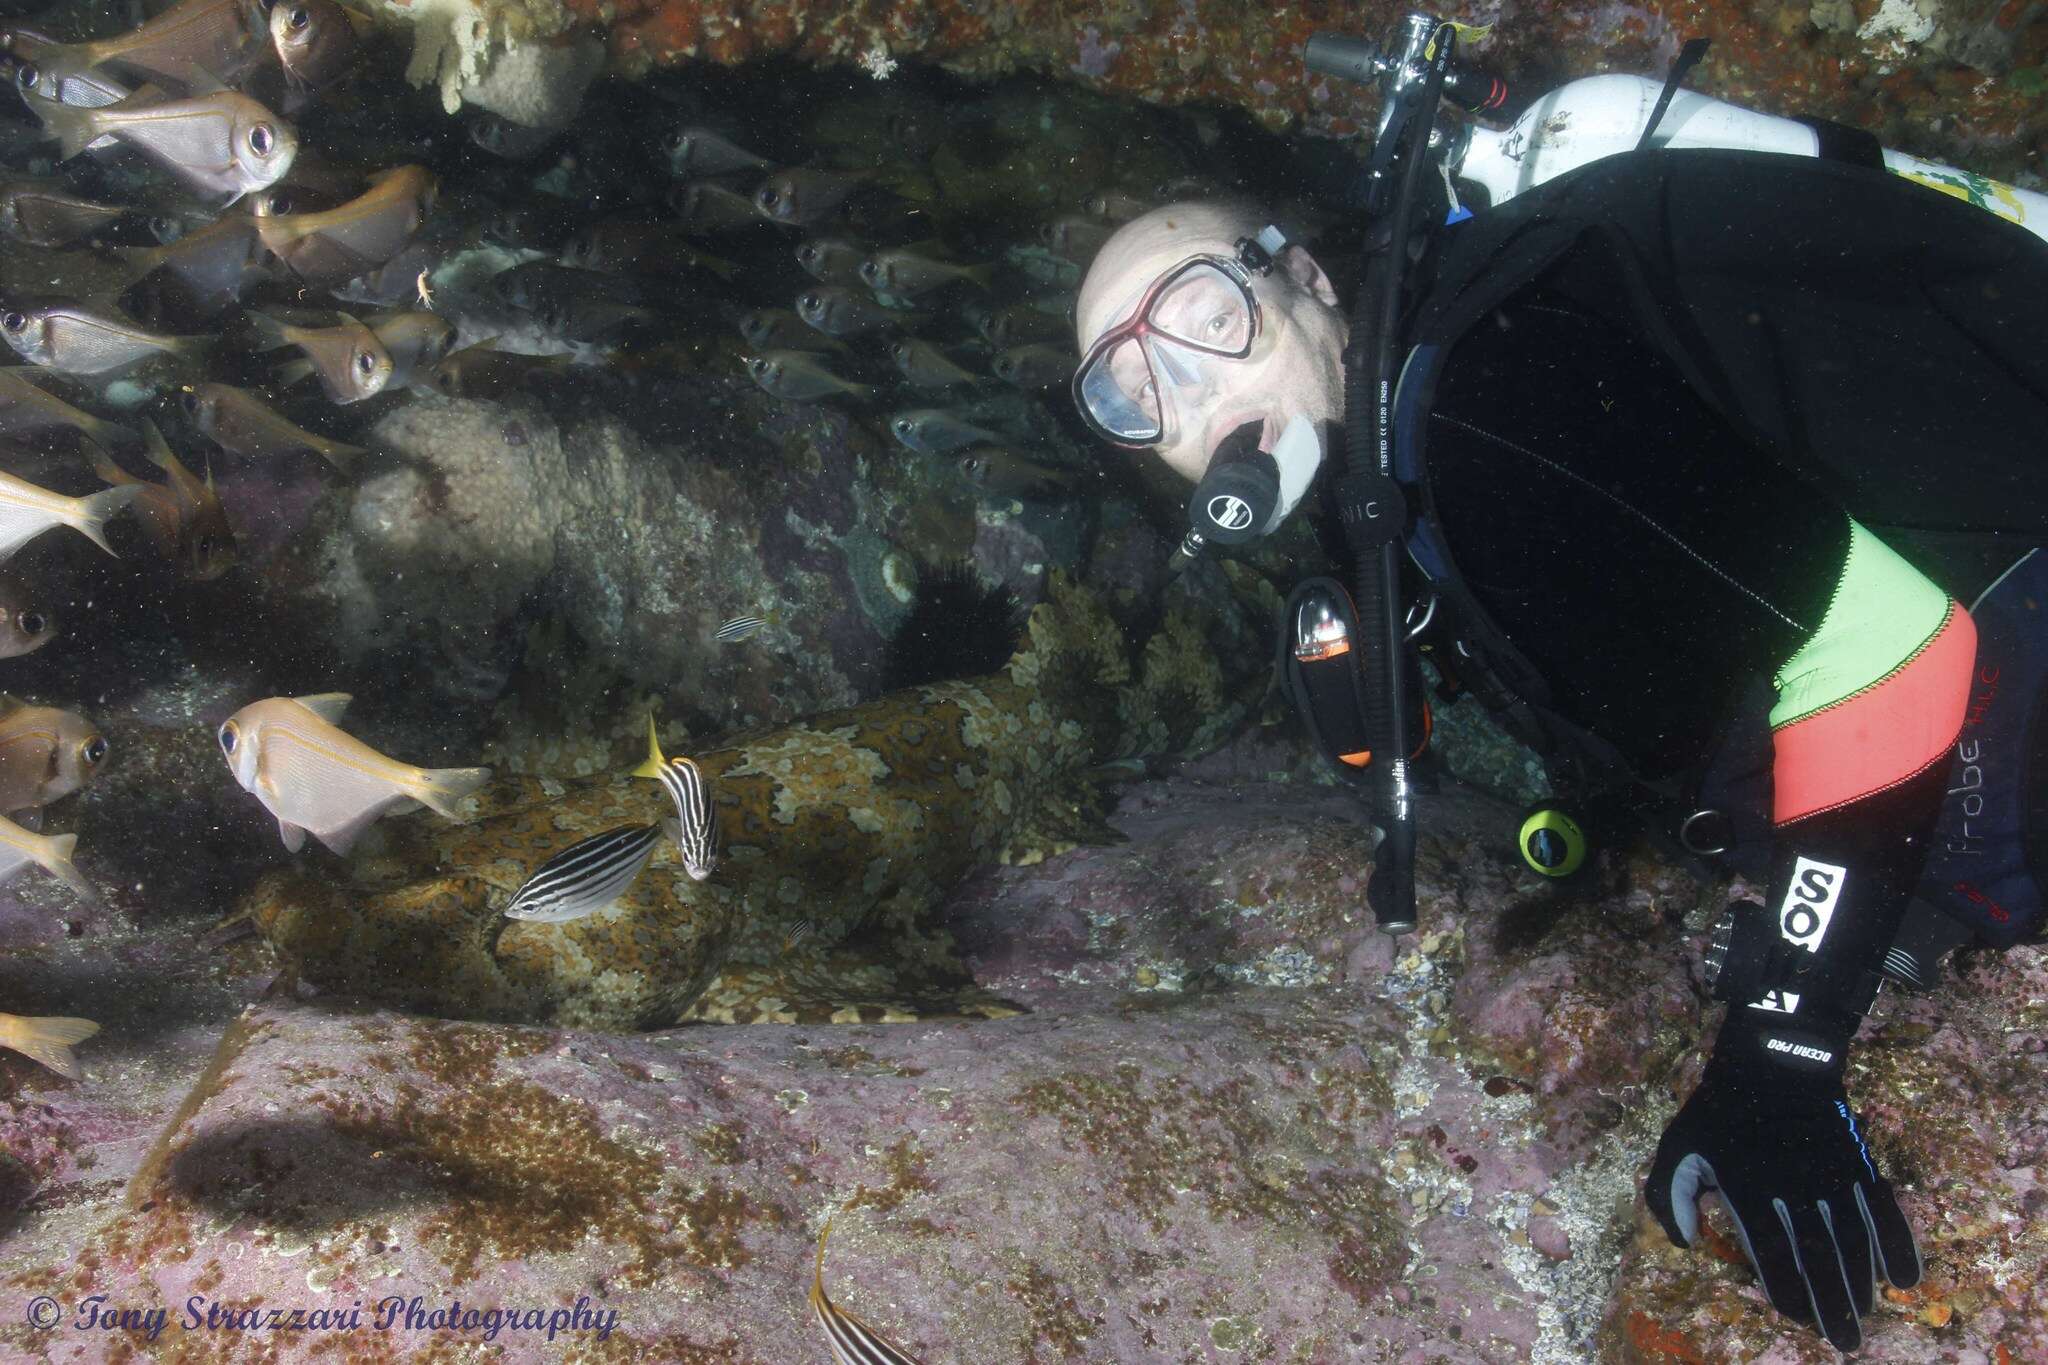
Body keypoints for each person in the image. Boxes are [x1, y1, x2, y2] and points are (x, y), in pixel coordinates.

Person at [1069, 149, 2048, 1352]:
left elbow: (1893, 651)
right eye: (1128, 387)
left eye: (1205, 315)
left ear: (1307, 281)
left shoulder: (1489, 408)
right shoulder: (1404, 454)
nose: (1185, 387)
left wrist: (1781, 1051)